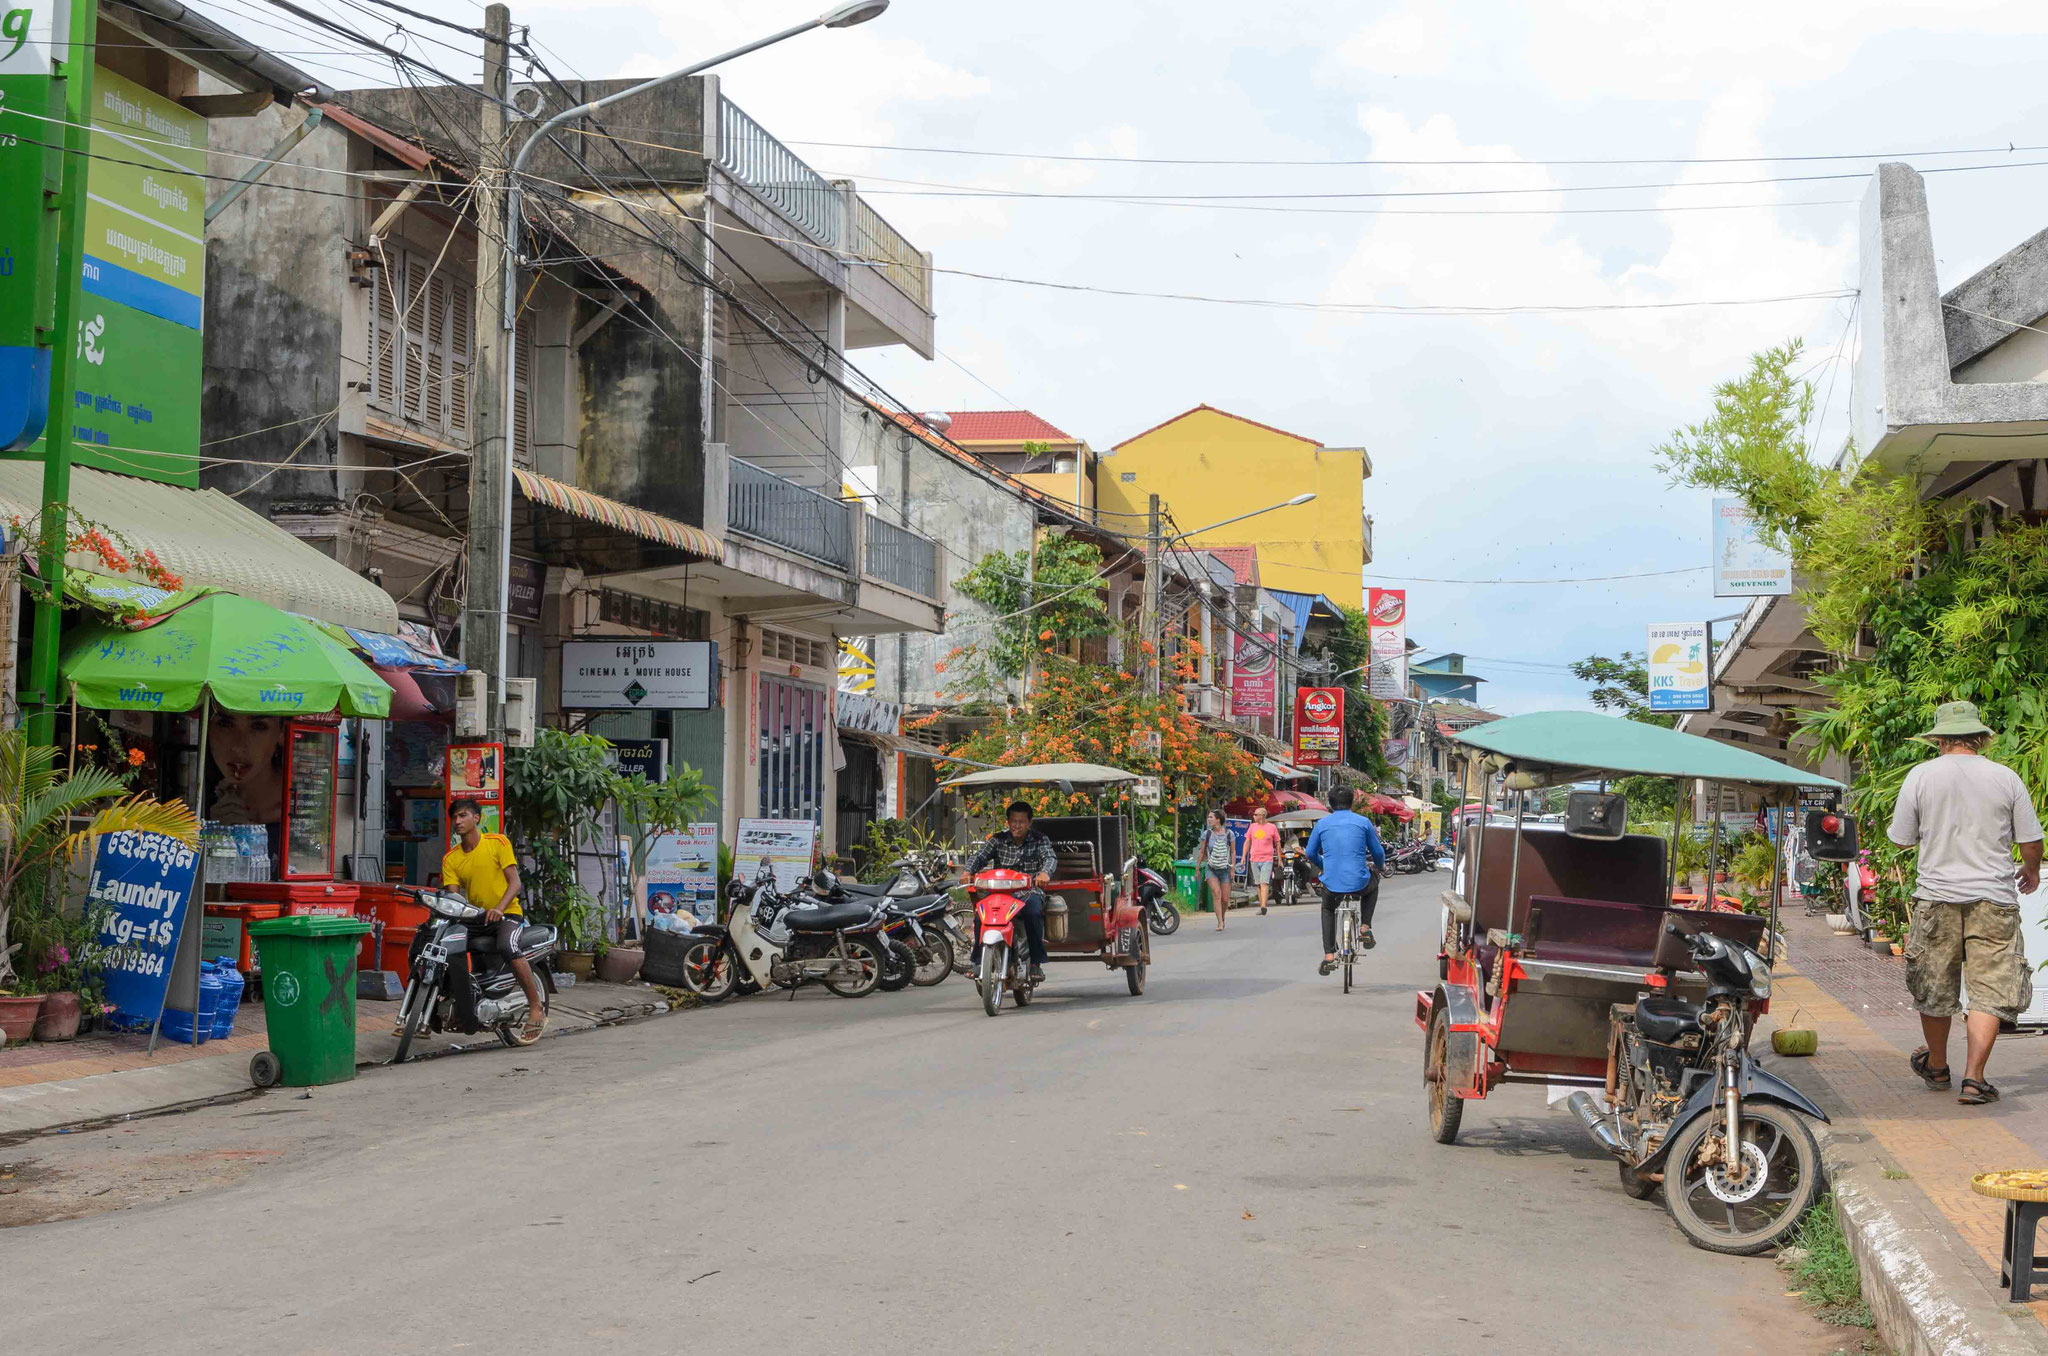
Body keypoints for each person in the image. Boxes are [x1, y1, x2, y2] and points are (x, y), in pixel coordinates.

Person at [1889, 701, 2043, 1106]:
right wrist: (2032, 872)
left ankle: (1937, 1067)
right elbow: (2031, 840)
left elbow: (1902, 838)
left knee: (1935, 984)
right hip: (1994, 898)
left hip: (1936, 898)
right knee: (1989, 989)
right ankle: (1974, 1080)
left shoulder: (1920, 776)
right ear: (1979, 737)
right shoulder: (2005, 777)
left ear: (1940, 739)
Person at [441, 798, 546, 1042]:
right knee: (446, 946)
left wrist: (499, 908)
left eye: (463, 815)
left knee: (507, 946)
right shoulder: (451, 859)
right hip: (477, 917)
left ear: (476, 818)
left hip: (507, 913)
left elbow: (515, 882)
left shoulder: (498, 843)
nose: (458, 821)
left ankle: (535, 1007)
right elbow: (453, 897)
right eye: (454, 817)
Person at [960, 800, 1058, 984]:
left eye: (1021, 822)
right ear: (1008, 822)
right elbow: (979, 856)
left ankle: (1036, 962)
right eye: (1013, 821)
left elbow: (1050, 857)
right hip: (1000, 894)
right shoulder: (998, 840)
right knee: (980, 914)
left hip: (1029, 892)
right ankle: (978, 961)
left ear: (1029, 822)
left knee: (1034, 912)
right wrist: (967, 871)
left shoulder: (1040, 840)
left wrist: (1045, 873)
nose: (1016, 826)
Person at [1307, 786, 1387, 975]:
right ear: (1352, 802)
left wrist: (1324, 864)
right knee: (1373, 883)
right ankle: (1365, 927)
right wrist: (1380, 866)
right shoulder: (1364, 822)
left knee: (1328, 909)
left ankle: (1329, 955)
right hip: (1359, 883)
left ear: (1330, 804)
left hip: (1331, 884)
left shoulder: (1322, 824)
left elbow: (1310, 852)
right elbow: (1377, 852)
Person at [1197, 809, 1234, 930]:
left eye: (1211, 817)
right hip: (1211, 868)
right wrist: (1197, 868)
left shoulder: (1229, 834)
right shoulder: (1206, 834)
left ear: (1218, 820)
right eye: (1208, 817)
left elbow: (1233, 852)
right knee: (1216, 894)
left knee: (1225, 898)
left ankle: (1222, 917)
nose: (1209, 819)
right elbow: (1202, 851)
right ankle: (1220, 922)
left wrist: (1233, 868)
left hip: (1225, 869)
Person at [1240, 806, 1282, 915]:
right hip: (1254, 858)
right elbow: (1247, 841)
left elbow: (1277, 843)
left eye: (1255, 815)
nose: (1253, 816)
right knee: (1258, 884)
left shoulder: (1272, 827)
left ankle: (1264, 906)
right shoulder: (1252, 827)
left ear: (1262, 816)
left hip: (1267, 858)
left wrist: (1280, 858)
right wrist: (1243, 856)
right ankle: (1261, 905)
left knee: (1264, 882)